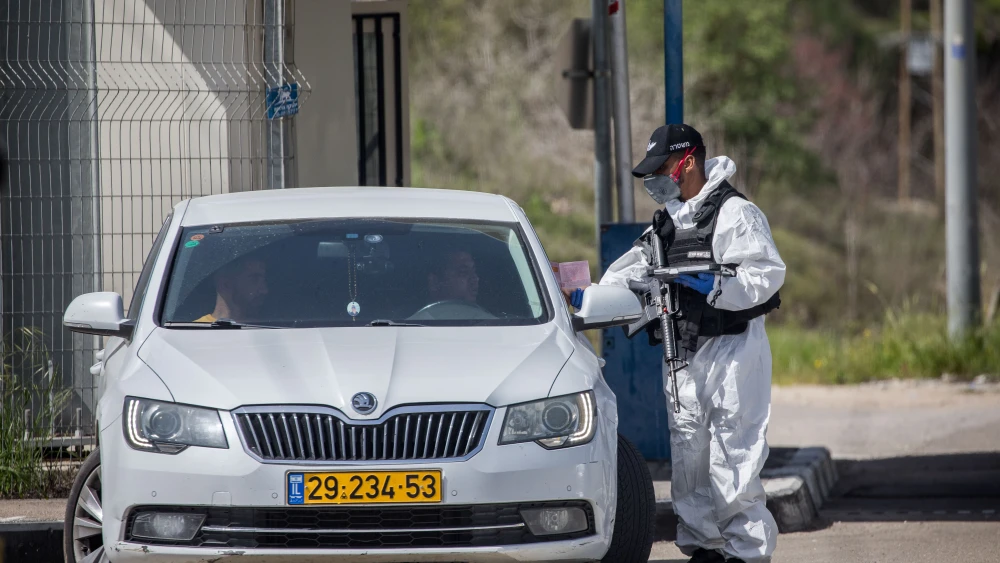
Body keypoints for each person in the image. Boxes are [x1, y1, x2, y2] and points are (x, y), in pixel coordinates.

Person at [599, 124, 785, 563]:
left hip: (731, 351)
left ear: (687, 162)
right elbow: (631, 269)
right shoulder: (667, 219)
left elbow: (765, 274)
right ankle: (703, 549)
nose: (655, 181)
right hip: (681, 352)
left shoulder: (736, 213)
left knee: (733, 459)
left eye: (661, 168)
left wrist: (713, 283)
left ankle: (747, 553)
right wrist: (588, 294)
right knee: (689, 461)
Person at [195, 254, 269, 323]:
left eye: (264, 281)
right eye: (254, 279)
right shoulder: (192, 332)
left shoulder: (271, 331)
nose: (265, 290)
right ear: (226, 284)